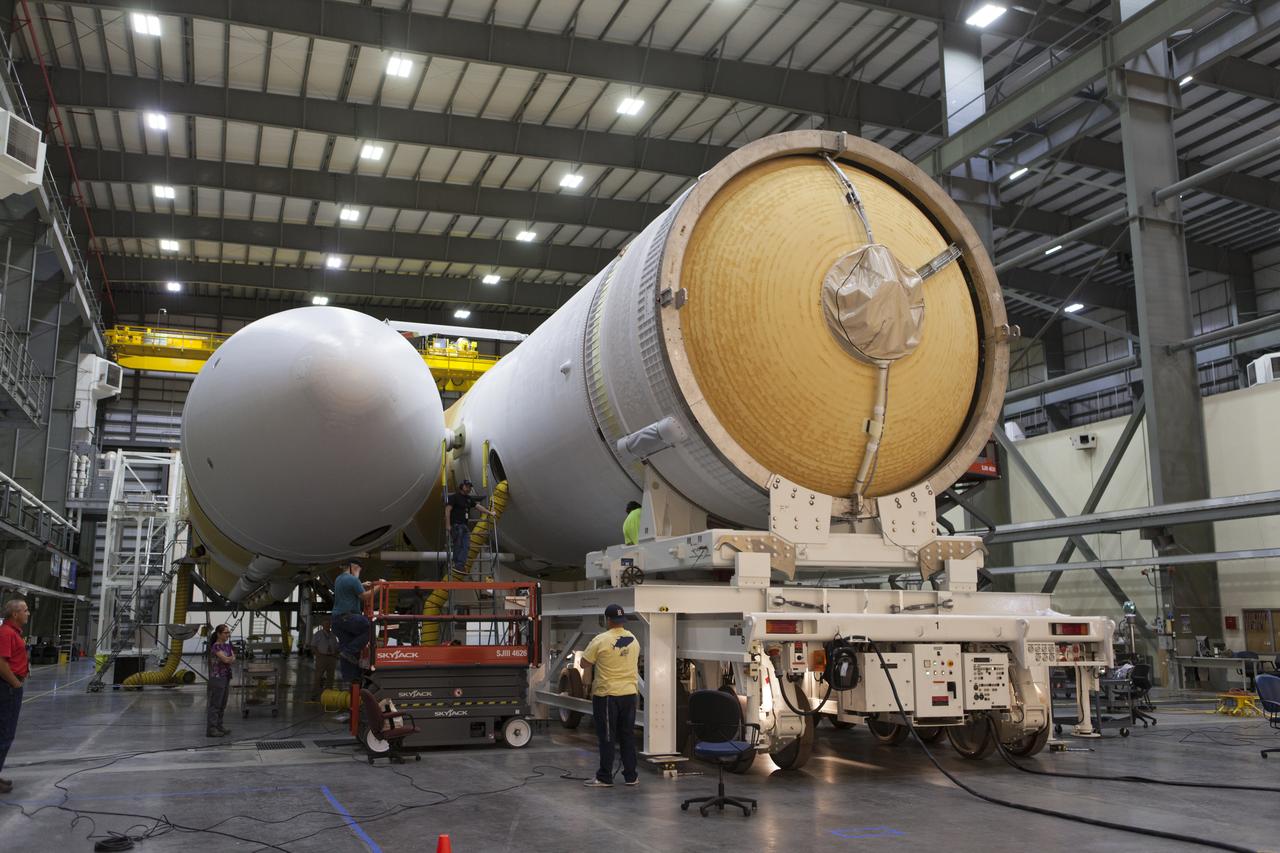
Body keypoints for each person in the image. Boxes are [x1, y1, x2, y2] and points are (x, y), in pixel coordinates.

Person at [581, 603, 640, 788]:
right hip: (630, 694)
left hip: (607, 695)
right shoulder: (633, 639)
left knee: (607, 736)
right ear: (622, 621)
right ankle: (631, 776)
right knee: (627, 736)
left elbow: (584, 663)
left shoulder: (601, 640)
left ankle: (605, 777)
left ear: (607, 620)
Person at [0, 599, 29, 792]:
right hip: (8, 688)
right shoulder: (6, 633)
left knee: (5, 732)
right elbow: (1, 663)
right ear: (15, 614)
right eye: (25, 610)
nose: (28, 613)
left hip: (11, 686)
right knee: (4, 733)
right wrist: (15, 683)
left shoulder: (13, 633)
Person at [332, 559, 376, 682]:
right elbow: (364, 596)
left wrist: (361, 585)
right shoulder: (353, 579)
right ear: (353, 567)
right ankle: (349, 652)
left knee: (348, 650)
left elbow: (348, 589)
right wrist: (378, 587)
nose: (359, 571)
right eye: (359, 569)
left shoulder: (339, 579)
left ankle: (352, 680)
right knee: (369, 627)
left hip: (337, 621)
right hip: (348, 618)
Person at [445, 480, 494, 573]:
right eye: (467, 486)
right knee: (458, 545)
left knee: (466, 546)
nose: (469, 488)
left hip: (464, 526)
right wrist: (447, 525)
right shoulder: (454, 497)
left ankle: (459, 565)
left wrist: (489, 512)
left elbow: (478, 506)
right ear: (461, 486)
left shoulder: (468, 499)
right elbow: (447, 510)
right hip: (456, 525)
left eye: (470, 487)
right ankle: (457, 565)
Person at [207, 624, 235, 738]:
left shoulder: (227, 646)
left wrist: (229, 659)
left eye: (228, 633)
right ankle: (212, 729)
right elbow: (226, 659)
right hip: (217, 678)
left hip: (226, 677)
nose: (228, 635)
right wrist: (229, 659)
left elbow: (232, 658)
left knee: (223, 703)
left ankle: (219, 725)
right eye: (225, 633)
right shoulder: (216, 647)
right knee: (216, 704)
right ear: (219, 634)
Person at [310, 616, 338, 700]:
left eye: (329, 624)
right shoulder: (318, 634)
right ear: (322, 625)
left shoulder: (333, 635)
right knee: (318, 676)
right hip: (322, 657)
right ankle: (316, 695)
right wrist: (318, 654)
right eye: (326, 624)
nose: (327, 625)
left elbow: (336, 646)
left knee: (331, 677)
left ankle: (327, 695)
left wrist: (336, 654)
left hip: (331, 658)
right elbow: (313, 646)